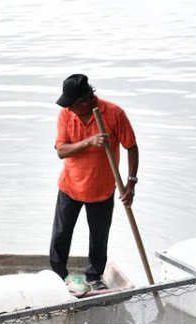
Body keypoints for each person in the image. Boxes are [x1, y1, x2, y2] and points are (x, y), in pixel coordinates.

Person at [49, 74, 138, 292]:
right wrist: (90, 141)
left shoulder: (114, 113)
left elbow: (131, 147)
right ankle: (58, 275)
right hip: (70, 186)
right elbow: (61, 151)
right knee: (60, 235)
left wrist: (131, 183)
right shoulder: (66, 114)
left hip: (101, 189)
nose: (68, 108)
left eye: (72, 104)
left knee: (99, 238)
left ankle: (94, 275)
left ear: (85, 101)